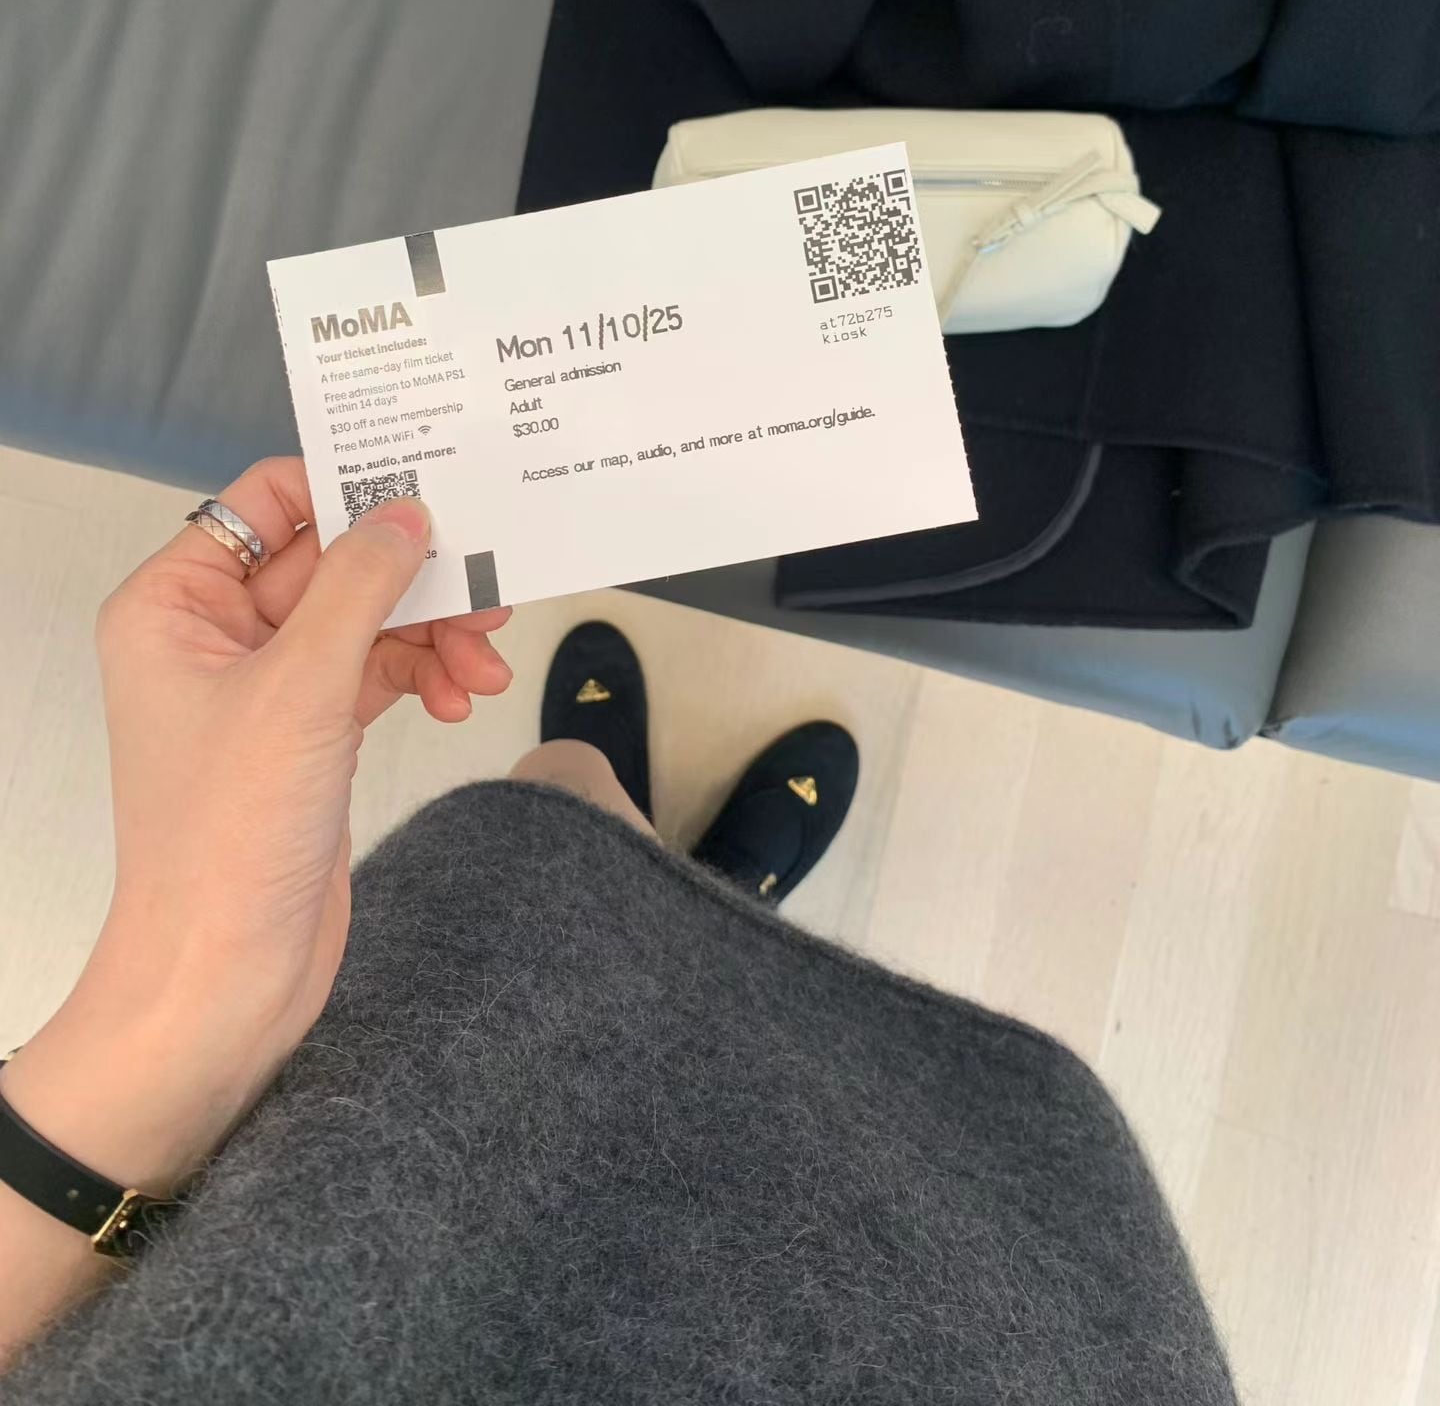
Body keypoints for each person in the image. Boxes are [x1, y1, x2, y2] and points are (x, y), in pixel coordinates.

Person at [0, 459, 1236, 1403]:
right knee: (594, 891)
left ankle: (641, 861)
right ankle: (709, 897)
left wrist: (186, 999)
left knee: (558, 833)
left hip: (366, 1189)